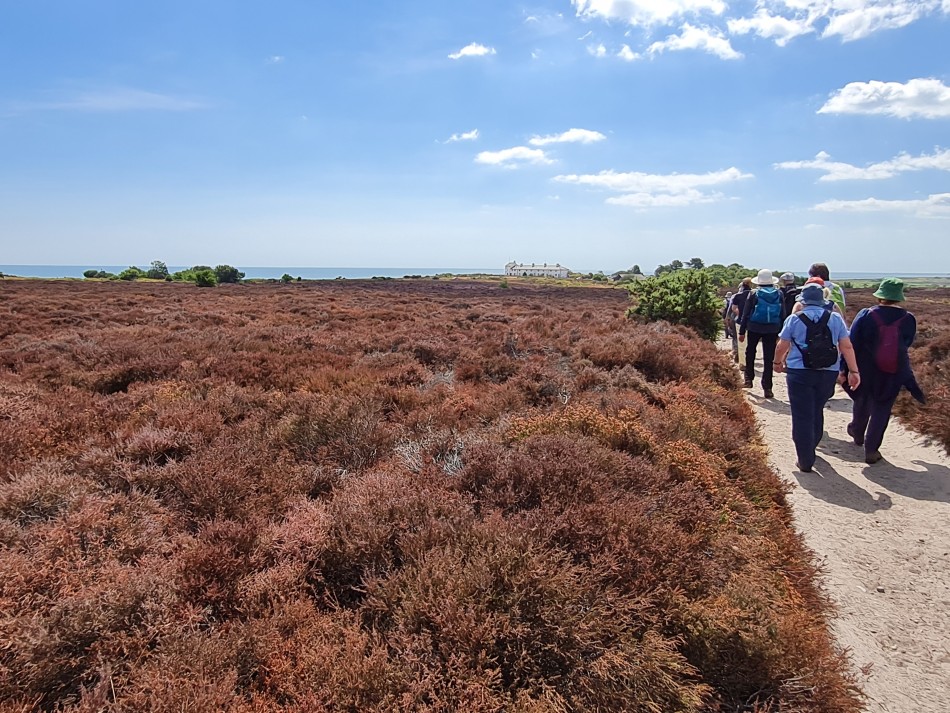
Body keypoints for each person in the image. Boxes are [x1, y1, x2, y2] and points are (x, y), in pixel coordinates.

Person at [773, 284, 860, 472]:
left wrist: (777, 363)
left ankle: (805, 459)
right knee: (817, 408)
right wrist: (853, 371)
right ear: (823, 300)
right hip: (828, 373)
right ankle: (812, 445)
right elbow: (847, 346)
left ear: (802, 301)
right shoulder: (835, 318)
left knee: (801, 414)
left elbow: (782, 345)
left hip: (799, 373)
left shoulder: (793, 319)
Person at [844, 278, 925, 464]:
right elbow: (907, 343)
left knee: (862, 399)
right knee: (882, 408)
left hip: (865, 368)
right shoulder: (908, 319)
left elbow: (852, 342)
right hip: (893, 370)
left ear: (880, 295)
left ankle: (857, 432)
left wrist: (846, 368)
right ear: (899, 297)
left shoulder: (866, 314)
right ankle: (871, 450)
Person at [738, 269, 787, 398]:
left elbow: (746, 313)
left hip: (754, 327)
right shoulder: (779, 293)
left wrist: (742, 331)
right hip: (772, 328)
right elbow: (783, 314)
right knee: (769, 357)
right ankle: (767, 387)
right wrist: (782, 332)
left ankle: (748, 379)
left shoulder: (754, 293)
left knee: (750, 353)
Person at [731, 278, 753, 369]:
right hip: (752, 321)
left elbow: (734, 308)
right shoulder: (754, 294)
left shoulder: (737, 296)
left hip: (740, 321)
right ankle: (750, 361)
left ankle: (743, 363)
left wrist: (741, 314)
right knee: (751, 343)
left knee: (741, 343)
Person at [722, 291, 738, 362]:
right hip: (745, 319)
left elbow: (727, 309)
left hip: (733, 317)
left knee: (734, 335)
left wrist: (726, 317)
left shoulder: (733, 298)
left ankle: (735, 350)